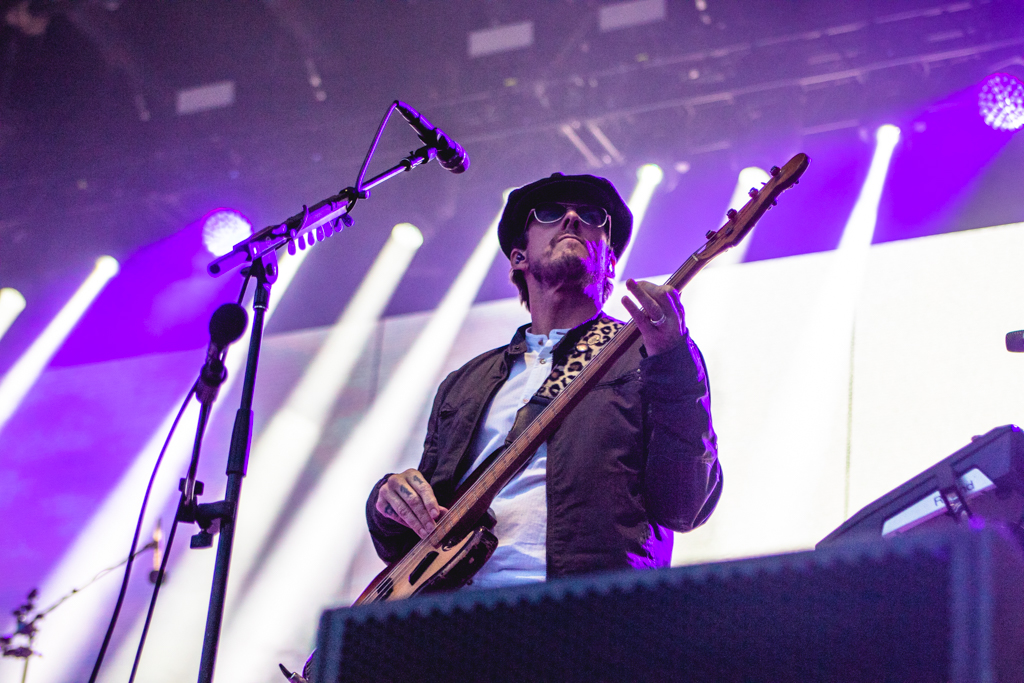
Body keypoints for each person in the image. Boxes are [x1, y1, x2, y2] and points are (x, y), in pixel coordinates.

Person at [366, 173, 722, 587]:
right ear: (518, 257)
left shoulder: (652, 354)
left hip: (582, 610)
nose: (572, 218)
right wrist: (388, 504)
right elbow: (414, 536)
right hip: (453, 610)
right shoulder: (465, 383)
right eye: (550, 213)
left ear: (609, 260)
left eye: (592, 216)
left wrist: (674, 361)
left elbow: (685, 505)